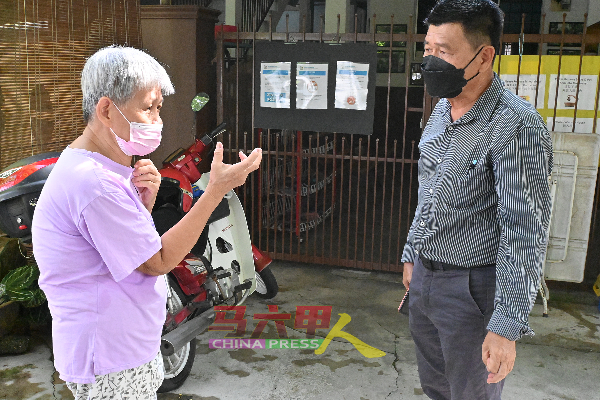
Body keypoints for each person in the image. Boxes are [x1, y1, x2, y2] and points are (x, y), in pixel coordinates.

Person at [31, 46, 262, 399]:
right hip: (109, 356)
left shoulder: (103, 167)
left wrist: (143, 204)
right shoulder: (94, 182)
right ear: (107, 109)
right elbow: (156, 261)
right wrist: (215, 191)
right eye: (147, 107)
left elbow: (120, 245)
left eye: (159, 108)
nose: (156, 119)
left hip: (125, 346)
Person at [401, 1, 553, 399]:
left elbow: (524, 234)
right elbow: (427, 190)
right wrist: (411, 252)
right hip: (426, 281)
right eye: (428, 50)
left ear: (484, 56)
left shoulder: (516, 125)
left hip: (473, 291)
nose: (431, 61)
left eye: (444, 51)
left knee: (471, 394)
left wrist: (506, 326)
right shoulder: (440, 112)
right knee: (435, 386)